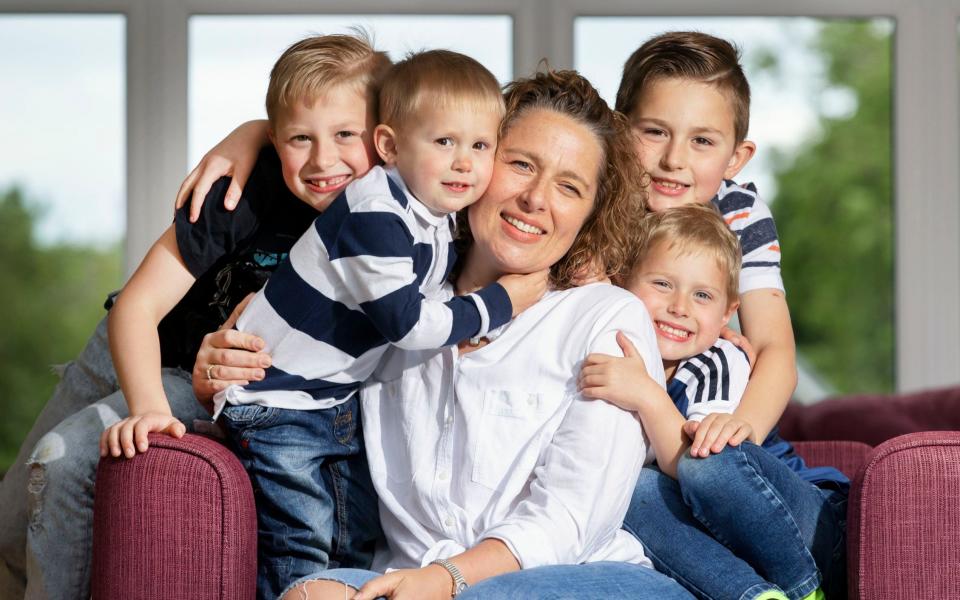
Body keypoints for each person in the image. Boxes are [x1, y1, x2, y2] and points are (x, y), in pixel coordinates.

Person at [192, 67, 694, 599]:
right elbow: (300, 407)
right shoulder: (393, 299)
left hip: (581, 575)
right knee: (309, 595)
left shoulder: (604, 316)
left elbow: (569, 519)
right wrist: (224, 381)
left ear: (590, 216)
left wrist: (447, 579)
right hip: (408, 577)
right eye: (520, 165)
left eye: (569, 187)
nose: (536, 199)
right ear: (473, 165)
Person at [0, 33, 392, 600]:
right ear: (276, 138)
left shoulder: (399, 214)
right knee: (15, 518)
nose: (324, 160)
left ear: (385, 137)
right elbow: (136, 307)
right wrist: (149, 412)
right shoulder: (245, 187)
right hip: (128, 342)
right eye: (299, 139)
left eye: (346, 135)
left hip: (197, 377)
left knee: (58, 467)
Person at [199, 48, 546, 598]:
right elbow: (408, 325)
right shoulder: (374, 213)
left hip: (331, 398)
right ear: (389, 146)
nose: (464, 163)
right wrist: (501, 302)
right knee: (303, 543)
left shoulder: (430, 208)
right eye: (444, 143)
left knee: (353, 535)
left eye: (480, 146)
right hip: (279, 400)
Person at [581, 204, 848, 600]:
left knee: (710, 461)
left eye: (702, 295)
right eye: (662, 284)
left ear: (727, 314)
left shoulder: (719, 360)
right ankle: (754, 596)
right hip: (729, 541)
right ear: (623, 283)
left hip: (808, 525)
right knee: (631, 492)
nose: (680, 307)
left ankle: (805, 589)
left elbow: (695, 459)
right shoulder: (619, 354)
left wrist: (646, 394)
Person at [614, 31, 797, 458]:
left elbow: (774, 348)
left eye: (702, 141)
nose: (674, 158)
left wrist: (737, 432)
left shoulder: (738, 211)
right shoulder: (595, 199)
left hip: (717, 423)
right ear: (619, 132)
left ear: (736, 157)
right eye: (655, 132)